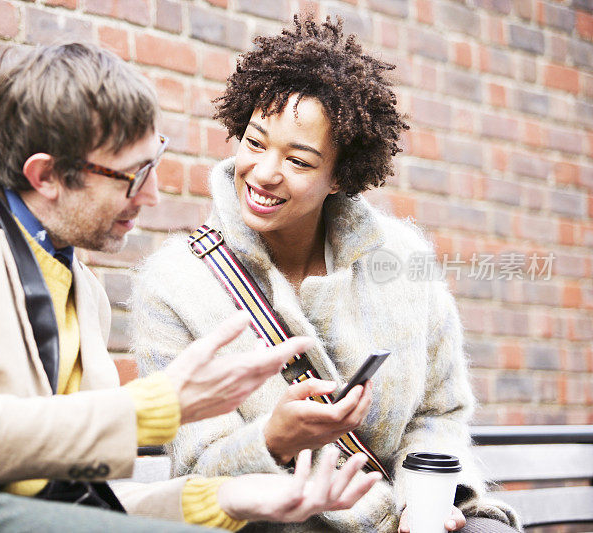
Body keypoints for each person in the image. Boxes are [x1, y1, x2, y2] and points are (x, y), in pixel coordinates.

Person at [0, 42, 382, 533]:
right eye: (135, 176)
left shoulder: (82, 289)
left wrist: (228, 499)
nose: (151, 198)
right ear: (46, 175)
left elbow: (74, 505)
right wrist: (160, 406)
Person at [130, 16, 522, 533]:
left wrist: (421, 503)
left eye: (298, 160)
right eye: (254, 142)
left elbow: (438, 413)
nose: (265, 172)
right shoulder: (174, 283)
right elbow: (198, 473)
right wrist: (275, 438)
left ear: (339, 175)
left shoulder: (401, 259)